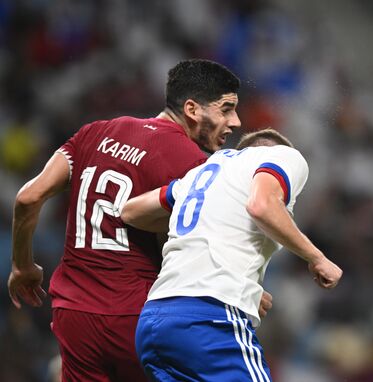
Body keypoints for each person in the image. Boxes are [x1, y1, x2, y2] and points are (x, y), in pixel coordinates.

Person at [8, 59, 270, 381]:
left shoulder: (94, 133)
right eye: (226, 109)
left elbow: (27, 198)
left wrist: (22, 266)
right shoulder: (198, 165)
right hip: (138, 315)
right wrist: (240, 291)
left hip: (73, 311)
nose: (235, 121)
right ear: (191, 109)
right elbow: (204, 243)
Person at [121, 128, 343, 381]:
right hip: (209, 317)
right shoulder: (285, 156)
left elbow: (131, 212)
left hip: (155, 321)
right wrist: (318, 258)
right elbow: (261, 206)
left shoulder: (198, 176)